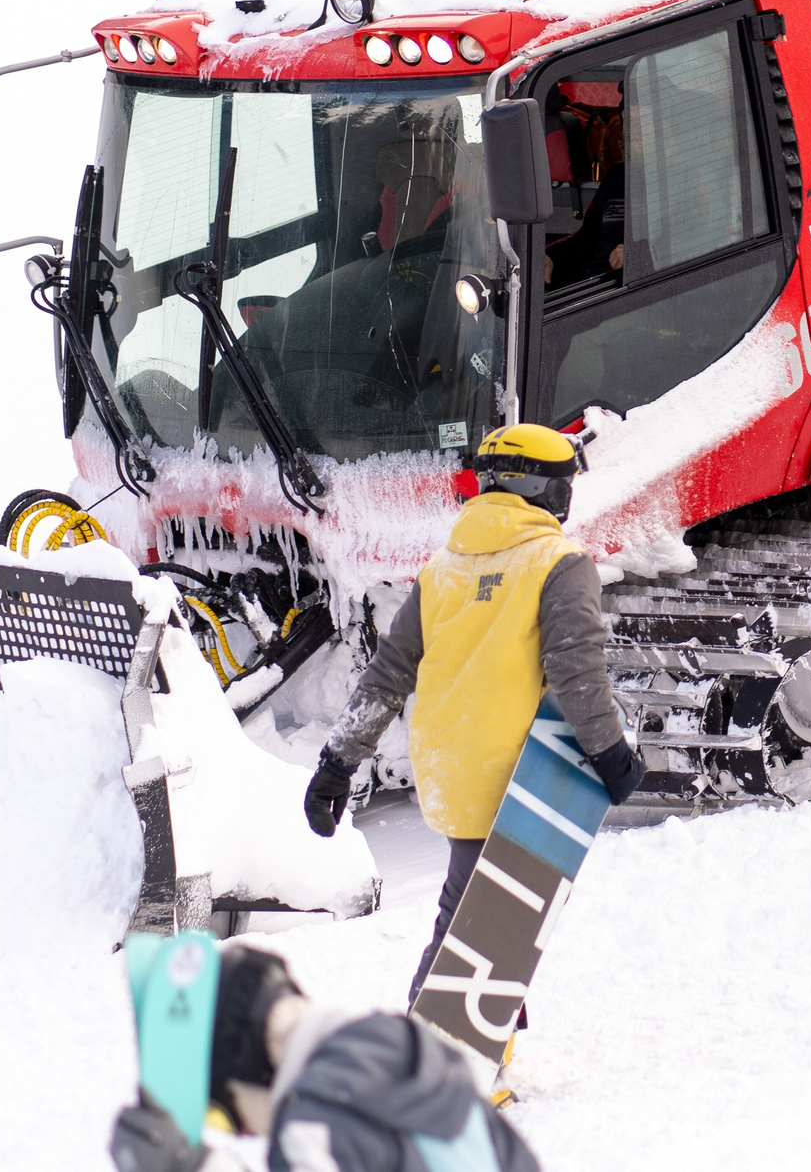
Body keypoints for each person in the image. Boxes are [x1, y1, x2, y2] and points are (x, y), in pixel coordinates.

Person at [302, 425, 644, 1001]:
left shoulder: (444, 567)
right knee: (472, 921)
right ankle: (432, 1046)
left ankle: (490, 1028)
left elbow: (388, 673)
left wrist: (337, 763)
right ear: (543, 489)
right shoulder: (558, 562)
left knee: (496, 912)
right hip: (515, 774)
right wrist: (610, 755)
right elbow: (575, 672)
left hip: (446, 762)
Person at [109, 944, 541, 1172]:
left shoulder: (313, 1124)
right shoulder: (408, 1049)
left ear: (243, 1069)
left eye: (225, 1117)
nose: (247, 1136)